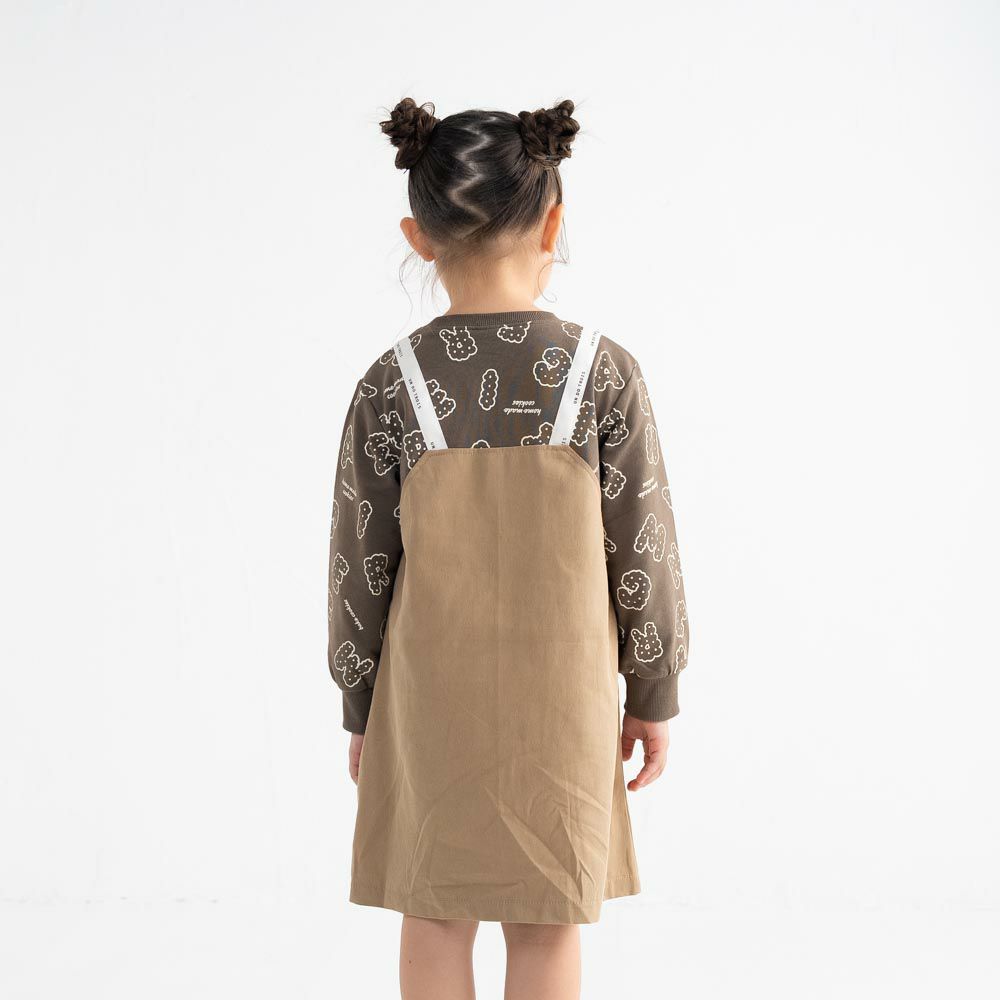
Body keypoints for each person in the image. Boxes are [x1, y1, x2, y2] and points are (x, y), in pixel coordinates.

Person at [327, 97, 689, 1000]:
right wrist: (652, 689)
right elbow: (643, 546)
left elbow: (358, 566)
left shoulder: (390, 386)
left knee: (432, 910)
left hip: (428, 701)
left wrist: (361, 705)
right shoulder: (604, 375)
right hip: (561, 706)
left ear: (419, 238)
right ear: (554, 225)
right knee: (546, 918)